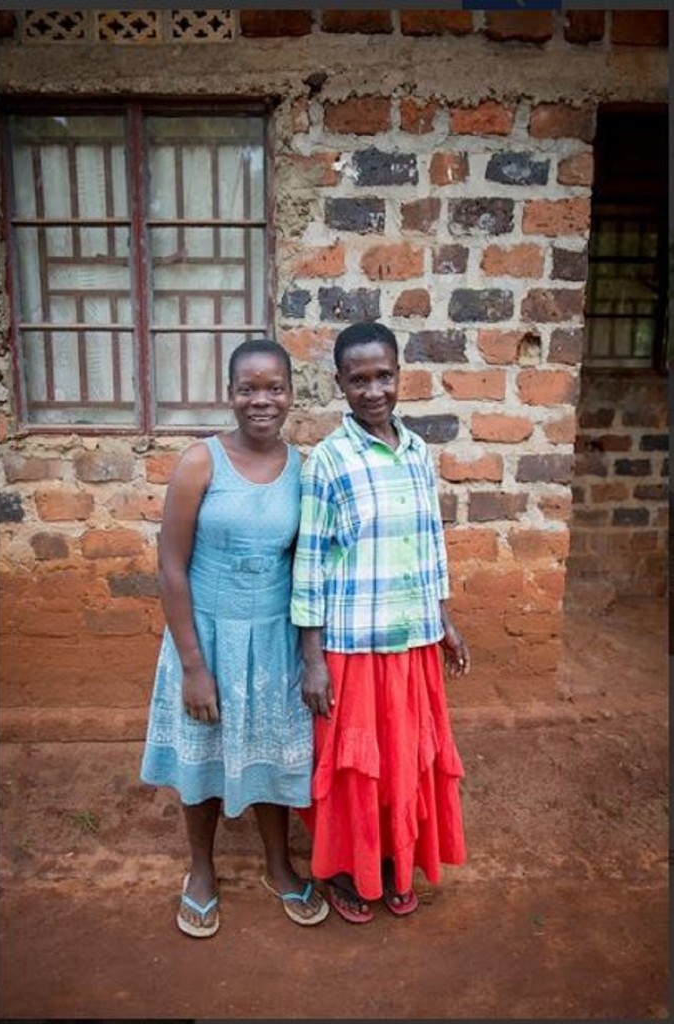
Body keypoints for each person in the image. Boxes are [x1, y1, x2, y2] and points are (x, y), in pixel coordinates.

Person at [141, 338, 329, 937]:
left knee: (275, 752)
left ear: (292, 394)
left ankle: (279, 864)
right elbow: (171, 568)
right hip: (208, 640)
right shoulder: (201, 463)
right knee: (203, 758)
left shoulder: (303, 469)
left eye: (274, 387)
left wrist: (309, 654)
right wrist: (194, 666)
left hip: (273, 642)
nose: (262, 400)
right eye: (248, 388)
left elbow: (306, 567)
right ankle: (201, 870)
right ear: (230, 394)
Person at [291, 321, 469, 923]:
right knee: (355, 770)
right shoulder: (328, 462)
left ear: (400, 375)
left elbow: (430, 543)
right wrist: (312, 659)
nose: (374, 390)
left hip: (413, 640)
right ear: (339, 383)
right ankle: (348, 872)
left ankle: (394, 862)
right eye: (359, 378)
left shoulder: (419, 453)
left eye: (384, 375)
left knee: (404, 763)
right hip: (351, 645)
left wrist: (443, 618)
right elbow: (310, 563)